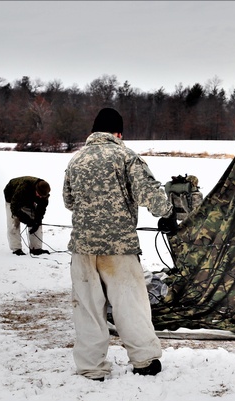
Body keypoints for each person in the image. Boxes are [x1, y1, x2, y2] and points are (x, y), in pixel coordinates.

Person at [62, 108, 173, 381]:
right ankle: (144, 360)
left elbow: (68, 201)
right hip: (119, 248)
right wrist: (167, 214)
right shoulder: (126, 157)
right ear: (119, 133)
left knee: (87, 309)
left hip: (83, 248)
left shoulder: (76, 160)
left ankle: (91, 367)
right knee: (130, 305)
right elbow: (152, 196)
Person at [3, 176, 51, 256]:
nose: (40, 197)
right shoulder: (24, 187)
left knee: (36, 222)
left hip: (29, 200)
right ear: (35, 189)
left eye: (41, 196)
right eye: (38, 194)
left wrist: (37, 221)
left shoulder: (44, 195)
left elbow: (41, 211)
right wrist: (27, 220)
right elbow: (14, 208)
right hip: (12, 197)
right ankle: (16, 249)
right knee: (13, 222)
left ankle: (36, 248)